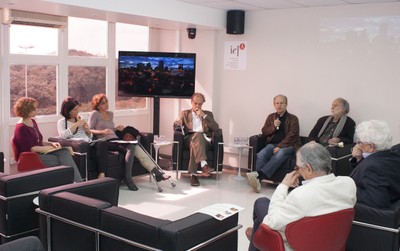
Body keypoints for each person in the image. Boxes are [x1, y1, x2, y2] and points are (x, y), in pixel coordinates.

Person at [246, 142, 357, 251]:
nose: (297, 171)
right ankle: (256, 236)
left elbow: (271, 222)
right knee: (258, 221)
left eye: (297, 167)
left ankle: (257, 237)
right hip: (331, 244)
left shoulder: (300, 195)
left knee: (260, 202)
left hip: (295, 246)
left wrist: (283, 185)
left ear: (308, 169)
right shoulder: (349, 184)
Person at [88, 93, 170, 191]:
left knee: (133, 146)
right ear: (97, 105)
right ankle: (131, 179)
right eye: (103, 103)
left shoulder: (110, 114)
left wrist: (116, 128)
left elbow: (111, 130)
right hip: (104, 141)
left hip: (115, 139)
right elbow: (89, 130)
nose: (106, 104)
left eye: (107, 102)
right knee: (132, 147)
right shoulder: (95, 114)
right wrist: (102, 131)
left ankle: (155, 173)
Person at [12, 97, 83, 182]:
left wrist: (51, 144)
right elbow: (31, 148)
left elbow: (39, 141)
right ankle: (77, 183)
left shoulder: (32, 122)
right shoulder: (21, 128)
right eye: (34, 108)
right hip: (31, 156)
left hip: (40, 153)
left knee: (65, 152)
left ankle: (73, 183)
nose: (36, 110)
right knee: (63, 159)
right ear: (26, 110)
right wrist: (51, 148)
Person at [247, 94, 301, 193]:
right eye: (277, 103)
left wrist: (280, 146)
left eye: (281, 103)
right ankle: (257, 182)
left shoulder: (293, 118)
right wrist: (273, 126)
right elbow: (264, 131)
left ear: (286, 104)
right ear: (274, 105)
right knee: (261, 154)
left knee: (280, 153)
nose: (279, 105)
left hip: (289, 146)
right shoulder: (271, 117)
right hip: (272, 144)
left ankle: (258, 176)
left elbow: (292, 135)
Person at [350, 120, 400, 209]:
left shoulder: (372, 167)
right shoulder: (393, 155)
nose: (357, 145)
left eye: (359, 142)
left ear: (371, 146)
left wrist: (348, 189)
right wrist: (359, 159)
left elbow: (377, 201)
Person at [173, 92, 219, 187]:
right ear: (191, 102)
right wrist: (177, 123)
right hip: (188, 139)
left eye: (200, 104)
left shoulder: (208, 114)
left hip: (204, 141)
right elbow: (176, 126)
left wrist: (204, 116)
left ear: (202, 104)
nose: (197, 105)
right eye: (195, 103)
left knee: (197, 138)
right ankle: (204, 164)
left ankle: (193, 175)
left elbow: (216, 128)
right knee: (196, 136)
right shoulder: (185, 113)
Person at [57, 96, 108, 179]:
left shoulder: (82, 118)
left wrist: (88, 131)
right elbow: (63, 136)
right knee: (91, 148)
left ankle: (101, 174)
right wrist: (76, 124)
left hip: (89, 144)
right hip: (78, 147)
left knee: (102, 143)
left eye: (78, 109)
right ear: (67, 110)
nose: (77, 112)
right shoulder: (61, 122)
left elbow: (90, 136)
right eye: (75, 110)